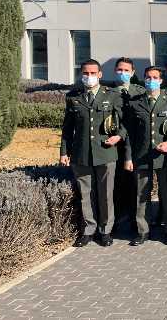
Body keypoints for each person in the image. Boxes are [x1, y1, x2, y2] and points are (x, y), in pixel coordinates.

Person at [61, 59, 126, 247]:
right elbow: (67, 128)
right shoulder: (73, 97)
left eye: (92, 73)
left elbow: (124, 123)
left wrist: (118, 137)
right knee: (85, 193)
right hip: (81, 154)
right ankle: (88, 229)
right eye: (85, 73)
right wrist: (64, 152)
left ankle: (105, 230)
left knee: (106, 194)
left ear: (100, 75)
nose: (89, 77)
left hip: (106, 152)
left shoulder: (112, 95)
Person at [122, 66, 167, 246]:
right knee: (141, 194)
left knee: (166, 193)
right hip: (142, 155)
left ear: (161, 80)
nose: (151, 80)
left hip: (164, 156)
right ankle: (143, 230)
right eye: (148, 77)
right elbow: (129, 133)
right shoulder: (135, 102)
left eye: (154, 77)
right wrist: (128, 157)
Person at [112, 57, 145, 231]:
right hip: (114, 145)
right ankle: (116, 219)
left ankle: (135, 219)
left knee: (135, 184)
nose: (123, 73)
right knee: (117, 184)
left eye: (126, 70)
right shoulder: (108, 92)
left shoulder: (140, 91)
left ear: (132, 73)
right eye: (120, 70)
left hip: (136, 144)